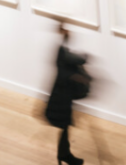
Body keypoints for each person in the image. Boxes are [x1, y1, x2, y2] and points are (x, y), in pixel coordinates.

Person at [45, 24, 90, 165]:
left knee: (65, 128)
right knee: (64, 126)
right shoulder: (61, 52)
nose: (69, 31)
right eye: (66, 29)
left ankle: (64, 154)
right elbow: (77, 61)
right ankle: (64, 155)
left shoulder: (61, 50)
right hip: (61, 98)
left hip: (62, 96)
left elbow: (74, 59)